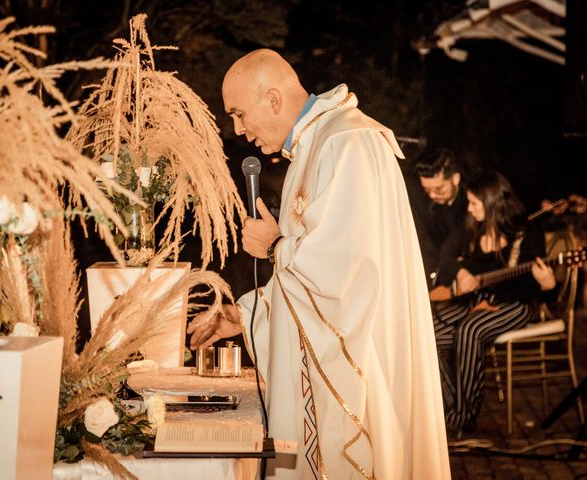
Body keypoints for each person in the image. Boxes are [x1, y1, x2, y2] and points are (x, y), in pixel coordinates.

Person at [187, 49, 450, 479]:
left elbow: (348, 269)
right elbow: (309, 271)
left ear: (273, 99)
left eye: (239, 114)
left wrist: (274, 247)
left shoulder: (346, 142)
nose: (238, 129)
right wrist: (242, 316)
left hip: (364, 367)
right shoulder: (316, 146)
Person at [432, 170, 556, 435]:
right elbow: (446, 254)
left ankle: (464, 417)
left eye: (475, 203)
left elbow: (541, 290)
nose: (471, 208)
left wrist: (548, 285)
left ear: (492, 203)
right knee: (428, 334)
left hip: (514, 306)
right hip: (478, 302)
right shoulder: (472, 226)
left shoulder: (526, 233)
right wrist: (460, 272)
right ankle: (450, 408)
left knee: (470, 329)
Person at [413, 148, 468, 288]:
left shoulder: (472, 202)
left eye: (438, 189)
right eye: (427, 189)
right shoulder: (424, 206)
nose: (432, 195)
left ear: (455, 178)